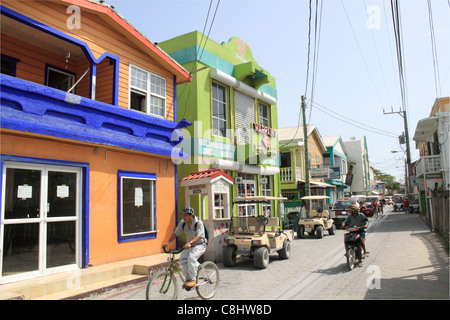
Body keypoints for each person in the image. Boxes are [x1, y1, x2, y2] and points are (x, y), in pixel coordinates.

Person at [164, 207, 207, 288]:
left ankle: (193, 280)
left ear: (191, 215)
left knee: (191, 258)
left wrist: (190, 243)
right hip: (189, 246)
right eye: (183, 215)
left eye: (185, 215)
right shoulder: (183, 223)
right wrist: (168, 242)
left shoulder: (199, 223)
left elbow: (199, 236)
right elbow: (176, 233)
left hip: (200, 245)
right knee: (182, 261)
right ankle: (188, 279)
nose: (183, 217)